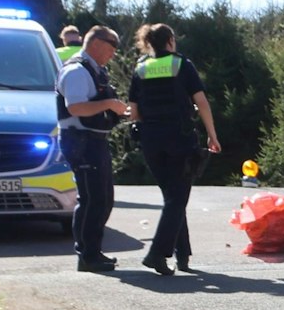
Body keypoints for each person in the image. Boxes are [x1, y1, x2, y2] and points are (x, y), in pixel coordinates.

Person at [125, 23, 219, 275]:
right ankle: (157, 253)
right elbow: (201, 101)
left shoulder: (141, 68)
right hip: (179, 138)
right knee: (177, 199)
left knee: (173, 199)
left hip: (151, 141)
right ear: (170, 41)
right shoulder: (181, 64)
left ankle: (183, 254)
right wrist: (212, 135)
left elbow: (133, 109)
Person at [56, 25, 126, 272]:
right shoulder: (76, 71)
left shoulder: (95, 71)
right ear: (96, 43)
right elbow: (76, 108)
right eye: (111, 48)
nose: (113, 54)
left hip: (93, 140)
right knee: (92, 199)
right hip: (81, 140)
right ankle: (87, 255)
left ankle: (93, 252)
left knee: (103, 198)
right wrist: (109, 103)